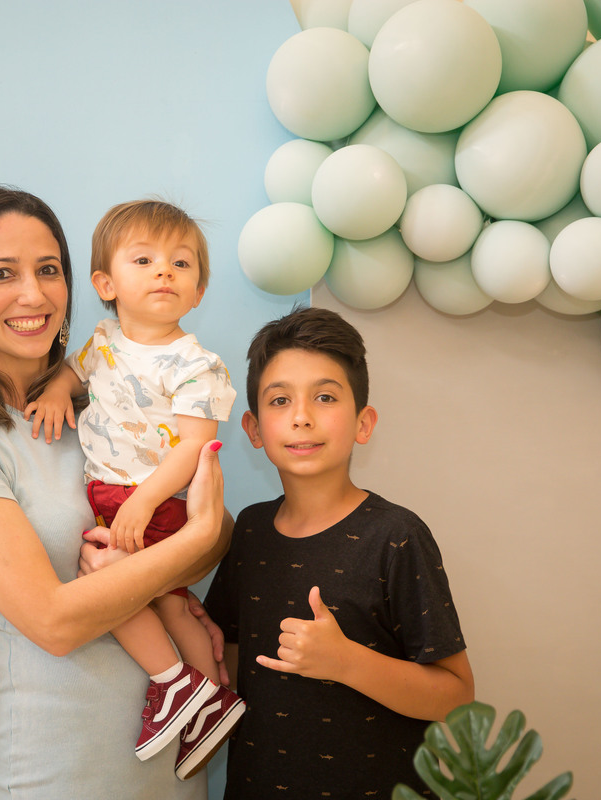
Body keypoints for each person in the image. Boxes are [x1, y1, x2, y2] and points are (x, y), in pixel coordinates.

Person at [0, 185, 230, 798]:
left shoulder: (109, 402)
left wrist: (178, 573)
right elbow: (55, 623)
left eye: (48, 270)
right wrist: (190, 547)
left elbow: (214, 531)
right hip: (59, 775)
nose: (33, 294)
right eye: (3, 274)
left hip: (174, 773)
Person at [203, 307, 475, 798]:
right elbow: (229, 655)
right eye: (280, 400)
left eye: (325, 397)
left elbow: (456, 697)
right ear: (254, 429)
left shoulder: (397, 536)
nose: (301, 416)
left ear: (363, 424)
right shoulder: (250, 529)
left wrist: (345, 661)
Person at [23, 200, 244, 775]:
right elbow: (73, 373)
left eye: (181, 263)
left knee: (106, 586)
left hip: (154, 501)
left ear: (198, 292)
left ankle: (171, 681)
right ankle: (212, 700)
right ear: (106, 284)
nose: (164, 271)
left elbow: (194, 446)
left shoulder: (196, 365)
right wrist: (57, 390)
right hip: (112, 498)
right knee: (168, 602)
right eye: (144, 260)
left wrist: (144, 501)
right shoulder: (102, 342)